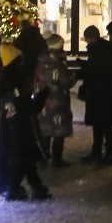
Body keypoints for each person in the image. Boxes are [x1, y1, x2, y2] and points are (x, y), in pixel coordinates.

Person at [0, 44, 51, 201]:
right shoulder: (17, 77)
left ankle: (35, 187)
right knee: (23, 159)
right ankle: (16, 189)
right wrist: (42, 96)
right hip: (20, 125)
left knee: (25, 158)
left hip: (13, 124)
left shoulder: (6, 77)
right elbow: (26, 104)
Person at [78, 25, 112, 164]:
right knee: (100, 124)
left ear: (92, 37)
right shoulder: (103, 49)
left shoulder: (98, 51)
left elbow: (96, 71)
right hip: (101, 92)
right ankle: (99, 151)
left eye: (87, 38)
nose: (86, 42)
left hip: (100, 93)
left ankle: (108, 153)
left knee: (103, 124)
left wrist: (82, 69)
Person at [35, 34, 75, 167]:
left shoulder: (40, 62)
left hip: (43, 102)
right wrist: (73, 78)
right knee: (58, 131)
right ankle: (57, 159)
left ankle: (43, 155)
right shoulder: (57, 65)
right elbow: (65, 82)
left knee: (45, 129)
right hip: (58, 102)